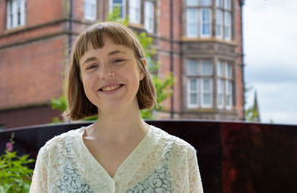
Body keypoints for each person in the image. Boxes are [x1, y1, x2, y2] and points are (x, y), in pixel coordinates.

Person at [30, 22, 203, 192]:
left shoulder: (179, 155)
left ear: (141, 69)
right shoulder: (53, 155)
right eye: (91, 66)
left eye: (118, 60)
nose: (105, 73)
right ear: (81, 79)